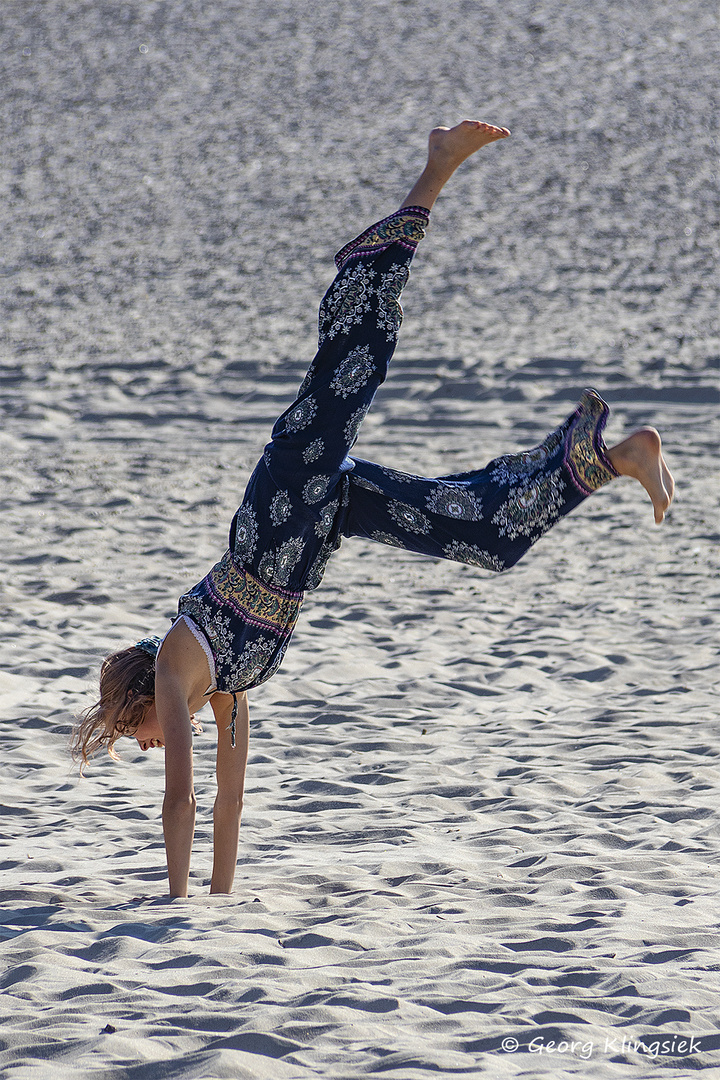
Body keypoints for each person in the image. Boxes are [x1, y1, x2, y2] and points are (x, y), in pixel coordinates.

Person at [73, 121, 674, 898]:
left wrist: (175, 901)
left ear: (136, 704)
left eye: (136, 737)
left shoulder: (171, 669)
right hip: (331, 514)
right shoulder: (225, 687)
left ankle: (433, 170)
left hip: (292, 479)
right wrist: (216, 906)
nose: (150, 746)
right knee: (480, 532)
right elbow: (230, 799)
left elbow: (179, 803)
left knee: (357, 351)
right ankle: (614, 456)